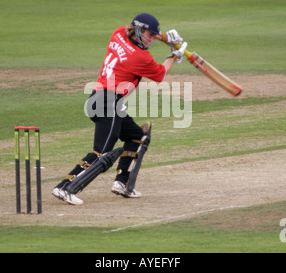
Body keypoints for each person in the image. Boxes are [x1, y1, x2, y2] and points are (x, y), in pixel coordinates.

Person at [52, 13, 187, 205]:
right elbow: (160, 74)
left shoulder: (119, 33)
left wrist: (166, 38)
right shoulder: (140, 57)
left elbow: (144, 32)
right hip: (108, 102)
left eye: (153, 35)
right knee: (102, 153)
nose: (151, 38)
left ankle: (121, 183)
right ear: (139, 31)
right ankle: (66, 186)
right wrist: (174, 54)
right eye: (149, 34)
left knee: (136, 136)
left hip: (99, 100)